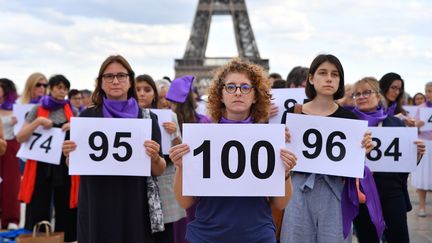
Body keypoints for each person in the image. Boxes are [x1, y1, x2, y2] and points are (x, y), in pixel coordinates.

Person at [169, 58, 297, 242]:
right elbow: (185, 202)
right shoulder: (201, 138)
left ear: (255, 96)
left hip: (257, 236)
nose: (238, 92)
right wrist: (181, 168)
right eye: (231, 87)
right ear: (220, 94)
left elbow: (281, 203)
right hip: (207, 236)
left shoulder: (270, 139)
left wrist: (285, 173)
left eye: (245, 87)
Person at [62, 55, 166, 243]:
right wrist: (69, 154)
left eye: (121, 75)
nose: (115, 81)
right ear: (100, 83)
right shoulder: (85, 118)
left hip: (134, 202)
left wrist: (154, 157)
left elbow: (159, 169)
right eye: (109, 76)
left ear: (130, 81)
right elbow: (72, 164)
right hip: (97, 200)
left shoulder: (148, 119)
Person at [280, 54, 374, 243]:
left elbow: (354, 164)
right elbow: (281, 160)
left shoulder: (350, 120)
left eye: (335, 74)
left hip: (336, 191)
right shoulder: (292, 114)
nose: (329, 78)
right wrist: (279, 141)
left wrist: (364, 149)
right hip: (298, 189)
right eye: (323, 73)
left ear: (340, 81)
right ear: (311, 79)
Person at [351, 77, 425, 242]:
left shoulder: (395, 123)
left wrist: (417, 154)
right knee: (367, 238)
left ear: (378, 96)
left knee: (399, 238)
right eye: (357, 94)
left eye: (367, 92)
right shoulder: (349, 124)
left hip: (392, 190)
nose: (362, 96)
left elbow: (406, 163)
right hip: (362, 193)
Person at [16, 74, 78, 242]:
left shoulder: (73, 110)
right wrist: (38, 122)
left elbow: (81, 135)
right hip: (40, 165)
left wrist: (73, 125)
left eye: (65, 88)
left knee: (65, 206)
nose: (62, 91)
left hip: (64, 165)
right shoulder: (37, 109)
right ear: (51, 88)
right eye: (59, 87)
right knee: (38, 205)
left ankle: (66, 239)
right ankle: (37, 238)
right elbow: (20, 137)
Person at [135, 74, 186, 243]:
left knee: (166, 231)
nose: (142, 93)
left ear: (154, 94)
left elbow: (179, 149)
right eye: (138, 89)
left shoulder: (169, 116)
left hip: (164, 179)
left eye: (147, 90)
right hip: (139, 181)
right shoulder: (125, 118)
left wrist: (174, 134)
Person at [0, 78, 20, 230]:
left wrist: (17, 122)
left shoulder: (16, 108)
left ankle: (11, 218)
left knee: (11, 184)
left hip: (11, 145)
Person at [412, 81, 432, 217]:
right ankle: (422, 206)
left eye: (430, 91)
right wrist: (417, 125)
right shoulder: (421, 108)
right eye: (427, 91)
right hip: (424, 143)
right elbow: (413, 128)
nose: (428, 94)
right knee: (422, 176)